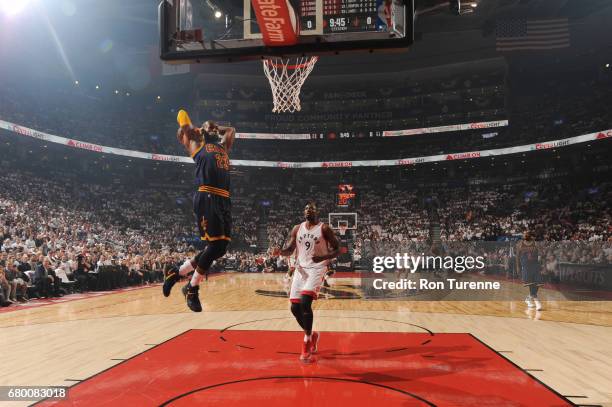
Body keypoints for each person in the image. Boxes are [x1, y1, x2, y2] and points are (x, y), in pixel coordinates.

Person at [163, 110, 235, 312]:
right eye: (208, 126)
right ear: (200, 132)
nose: (212, 127)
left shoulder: (223, 147)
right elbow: (182, 117)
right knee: (213, 246)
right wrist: (198, 129)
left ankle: (176, 273)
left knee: (220, 248)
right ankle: (191, 288)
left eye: (214, 126)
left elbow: (231, 130)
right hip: (208, 195)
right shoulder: (197, 145)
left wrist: (211, 127)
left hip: (224, 198)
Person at [280, 202, 340, 363]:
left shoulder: (324, 228)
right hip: (301, 269)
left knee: (305, 303)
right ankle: (312, 334)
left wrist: (323, 257)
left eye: (311, 209)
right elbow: (289, 249)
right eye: (306, 209)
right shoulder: (296, 228)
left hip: (317, 268)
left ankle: (307, 340)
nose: (308, 211)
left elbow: (338, 249)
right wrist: (279, 251)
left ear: (316, 212)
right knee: (294, 308)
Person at [516, 230, 543, 311]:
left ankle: (529, 298)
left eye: (526, 233)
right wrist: (518, 267)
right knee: (531, 284)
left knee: (538, 283)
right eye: (524, 233)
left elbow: (540, 254)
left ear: (530, 235)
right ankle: (537, 301)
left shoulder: (536, 243)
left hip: (535, 265)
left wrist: (541, 262)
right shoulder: (520, 244)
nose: (524, 235)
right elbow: (517, 256)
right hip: (526, 266)